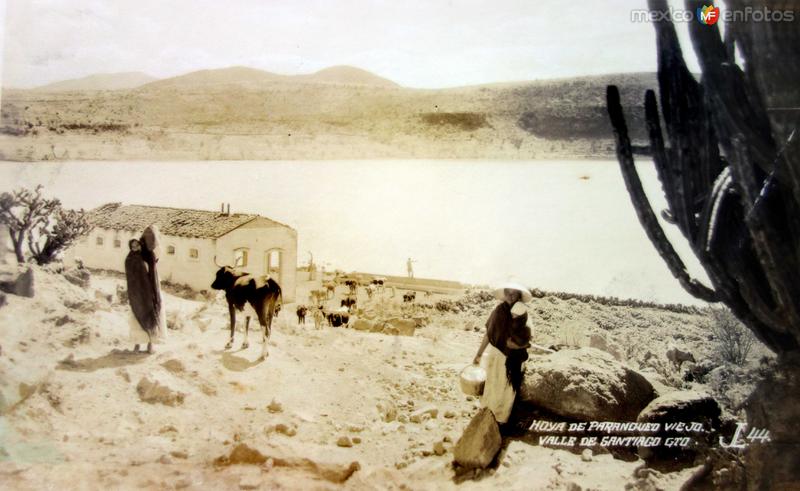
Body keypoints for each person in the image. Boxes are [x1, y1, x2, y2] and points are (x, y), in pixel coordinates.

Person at [472, 283, 532, 425]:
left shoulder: (523, 313)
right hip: (496, 355)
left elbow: (527, 338)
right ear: (504, 294)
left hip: (513, 359)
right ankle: (487, 416)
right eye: (508, 293)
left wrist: (517, 346)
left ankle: (501, 420)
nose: (510, 296)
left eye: (514, 293)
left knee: (507, 388)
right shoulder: (498, 311)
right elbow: (489, 334)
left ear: (519, 295)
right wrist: (478, 354)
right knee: (492, 384)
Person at [125, 239, 159, 353]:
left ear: (141, 245)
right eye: (133, 246)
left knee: (151, 317)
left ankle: (150, 344)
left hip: (148, 293)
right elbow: (130, 278)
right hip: (137, 294)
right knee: (136, 318)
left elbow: (152, 272)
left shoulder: (147, 257)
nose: (135, 248)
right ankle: (137, 344)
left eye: (137, 245)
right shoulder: (129, 259)